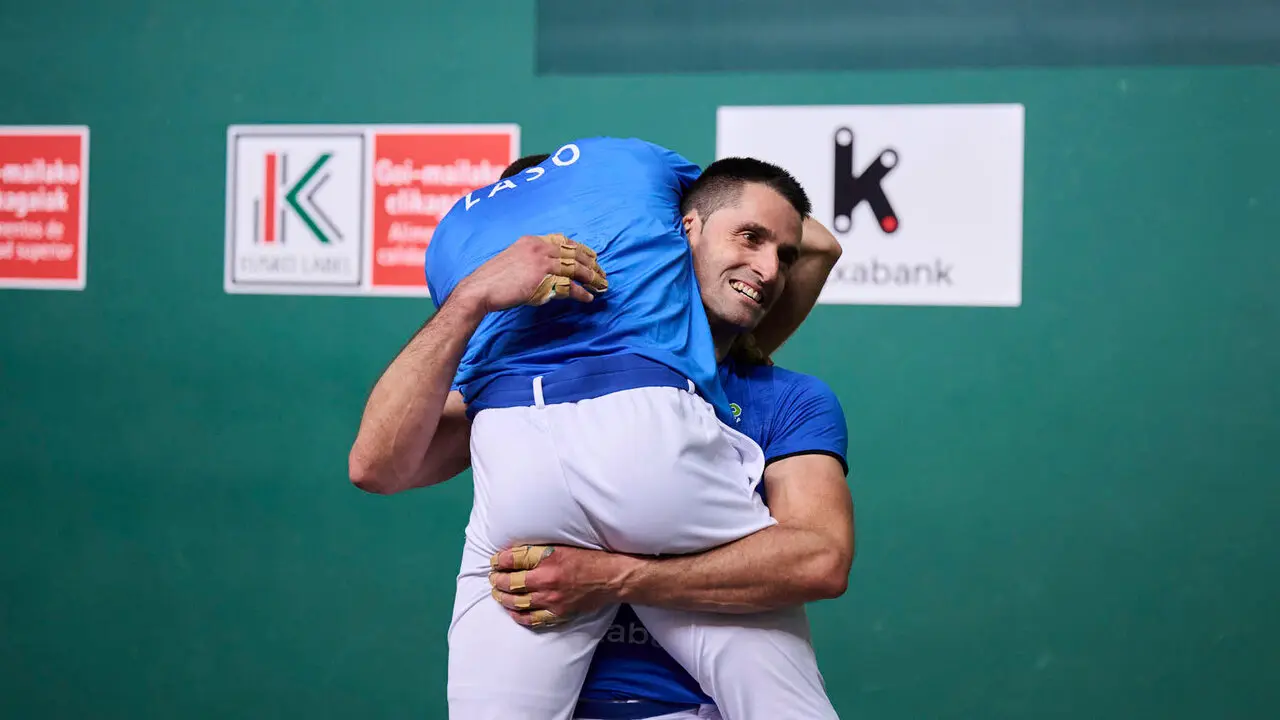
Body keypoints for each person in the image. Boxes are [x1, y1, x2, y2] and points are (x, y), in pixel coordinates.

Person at [349, 141, 839, 719]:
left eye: (776, 250)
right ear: (679, 227)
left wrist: (612, 578)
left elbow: (818, 560)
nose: (767, 267)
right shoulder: (497, 397)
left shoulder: (781, 396)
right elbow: (373, 467)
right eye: (750, 239)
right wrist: (474, 295)